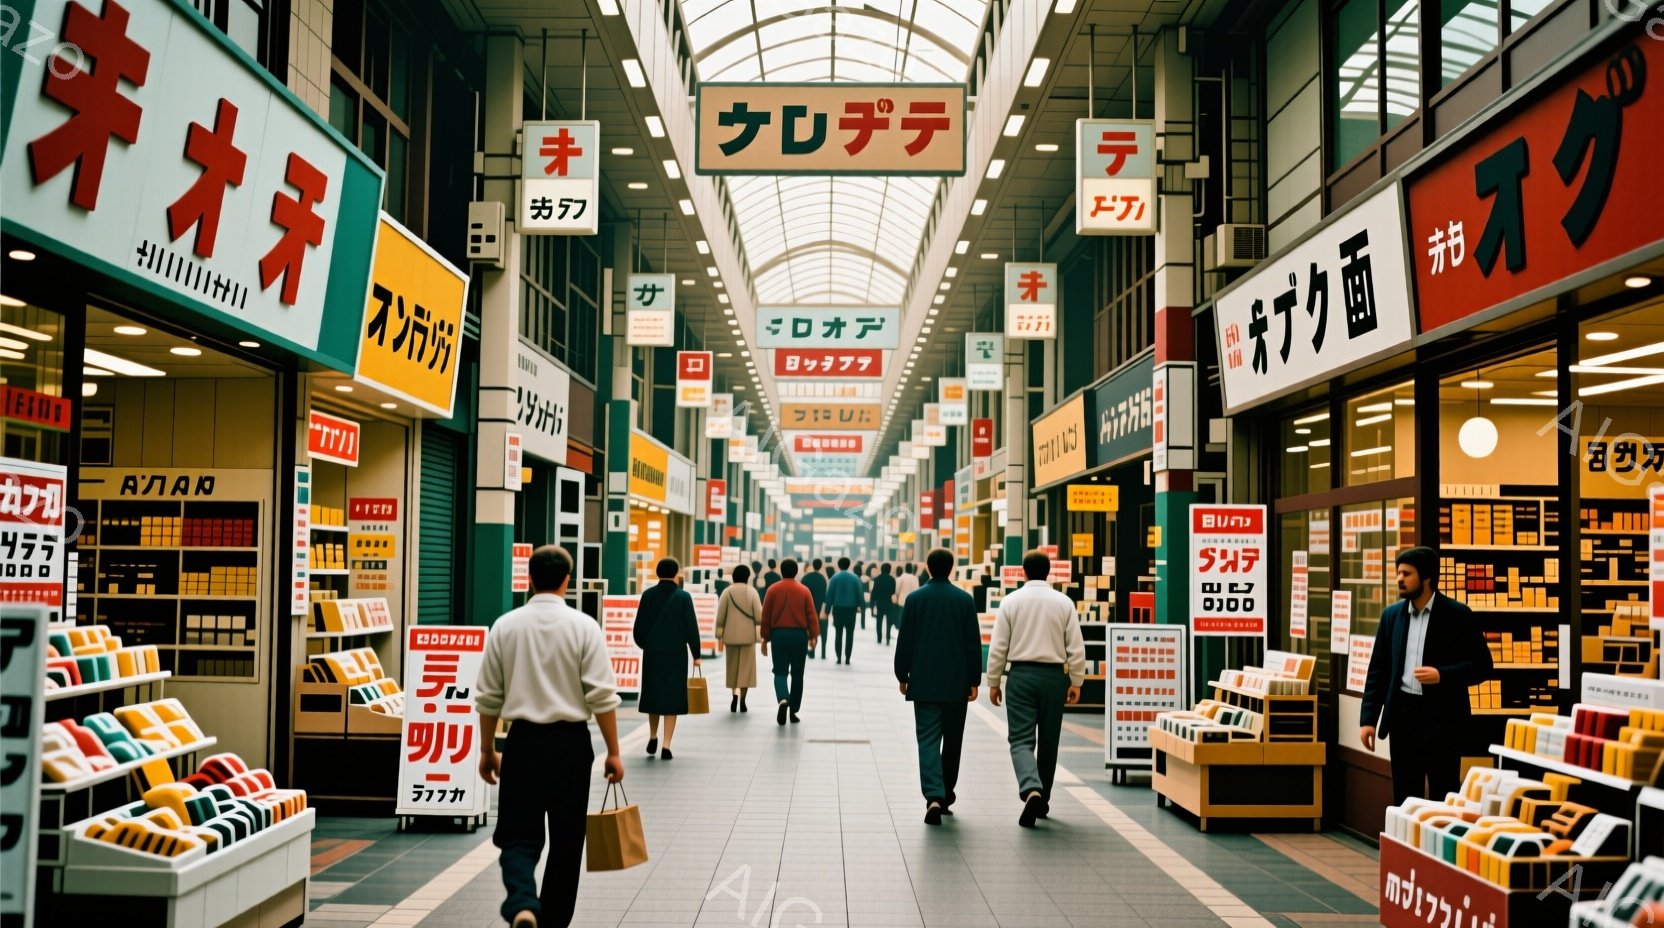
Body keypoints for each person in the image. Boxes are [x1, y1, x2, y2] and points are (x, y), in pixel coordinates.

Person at [475, 545, 622, 928]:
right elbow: (602, 697)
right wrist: (614, 752)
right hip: (571, 745)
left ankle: (523, 903)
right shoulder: (585, 626)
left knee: (517, 836)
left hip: (522, 743)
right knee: (567, 841)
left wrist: (487, 749)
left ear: (529, 578)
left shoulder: (505, 626)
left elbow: (488, 698)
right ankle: (553, 922)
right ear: (567, 581)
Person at [1360, 545, 1493, 805]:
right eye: (1398, 573)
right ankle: (1405, 845)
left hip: (1443, 719)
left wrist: (1441, 675)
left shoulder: (1457, 615)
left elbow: (1482, 666)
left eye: (1407, 574)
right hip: (1402, 716)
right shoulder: (1391, 616)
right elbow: (1378, 670)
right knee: (1404, 795)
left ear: (1427, 577)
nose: (1400, 579)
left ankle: (1438, 843)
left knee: (1444, 791)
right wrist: (1368, 719)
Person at [987, 549, 1087, 827]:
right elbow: (1076, 648)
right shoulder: (1064, 603)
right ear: (1048, 572)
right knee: (1049, 741)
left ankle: (1031, 787)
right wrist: (1077, 681)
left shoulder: (1011, 602)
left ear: (1024, 572)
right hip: (1055, 678)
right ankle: (1042, 800)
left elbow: (998, 647)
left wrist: (994, 681)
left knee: (1020, 739)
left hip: (1021, 675)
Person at [894, 548, 983, 825]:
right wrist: (974, 680)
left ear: (928, 569)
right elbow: (972, 643)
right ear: (952, 568)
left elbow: (905, 639)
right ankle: (945, 794)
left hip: (924, 682)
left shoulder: (915, 599)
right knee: (953, 740)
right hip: (956, 684)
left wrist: (902, 674)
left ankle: (933, 794)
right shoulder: (964, 600)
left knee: (928, 740)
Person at [633, 557, 702, 760]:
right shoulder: (683, 597)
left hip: (653, 654)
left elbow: (638, 628)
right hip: (676, 654)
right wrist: (696, 654)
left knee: (653, 694)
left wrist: (646, 645)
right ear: (675, 574)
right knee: (672, 697)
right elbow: (691, 627)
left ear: (657, 573)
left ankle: (653, 735)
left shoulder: (647, 595)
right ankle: (666, 745)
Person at [760, 558, 819, 725]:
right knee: (797, 674)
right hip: (799, 636)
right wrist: (813, 636)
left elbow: (766, 616)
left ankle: (783, 699)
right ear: (796, 572)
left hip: (778, 636)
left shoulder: (772, 590)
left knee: (779, 672)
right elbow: (811, 615)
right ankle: (793, 710)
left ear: (781, 571)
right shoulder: (804, 590)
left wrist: (765, 639)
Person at [716, 564, 763, 713]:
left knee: (732, 669)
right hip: (748, 637)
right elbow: (759, 617)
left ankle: (734, 696)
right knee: (745, 670)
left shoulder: (726, 592)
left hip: (730, 637)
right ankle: (743, 699)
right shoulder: (752, 592)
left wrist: (719, 633)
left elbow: (720, 616)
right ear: (747, 577)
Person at [828, 557, 864, 665]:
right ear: (849, 565)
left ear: (839, 565)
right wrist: (862, 606)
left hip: (838, 609)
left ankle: (839, 657)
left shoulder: (834, 578)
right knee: (849, 634)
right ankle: (848, 658)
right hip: (851, 610)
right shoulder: (855, 578)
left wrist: (827, 609)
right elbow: (859, 593)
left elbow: (830, 594)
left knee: (838, 634)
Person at [801, 558, 828, 659]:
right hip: (818, 608)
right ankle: (815, 650)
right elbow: (825, 596)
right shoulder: (822, 579)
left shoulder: (806, 578)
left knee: (805, 629)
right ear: (820, 566)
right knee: (815, 628)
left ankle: (805, 649)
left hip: (806, 608)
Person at [870, 563, 898, 645]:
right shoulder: (892, 579)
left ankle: (879, 638)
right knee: (889, 621)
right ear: (889, 570)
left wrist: (872, 604)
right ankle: (888, 638)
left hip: (879, 603)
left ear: (881, 569)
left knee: (879, 621)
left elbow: (874, 592)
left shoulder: (877, 579)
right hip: (888, 602)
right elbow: (893, 591)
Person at [893, 562, 920, 638]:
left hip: (902, 599)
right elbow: (917, 590)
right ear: (911, 568)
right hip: (912, 601)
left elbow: (897, 589)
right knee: (911, 617)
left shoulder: (902, 577)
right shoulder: (915, 578)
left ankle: (901, 630)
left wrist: (897, 595)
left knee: (901, 615)